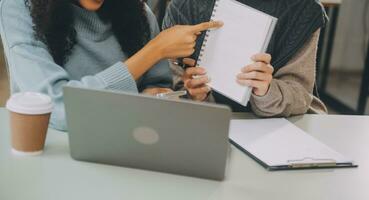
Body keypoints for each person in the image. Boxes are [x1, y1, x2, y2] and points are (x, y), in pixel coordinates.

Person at [0, 0, 222, 131]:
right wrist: (154, 50)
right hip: (54, 158)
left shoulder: (139, 14)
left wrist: (161, 95)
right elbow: (57, 108)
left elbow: (157, 86)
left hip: (129, 156)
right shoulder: (21, 8)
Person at [163, 0, 329, 117]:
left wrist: (267, 90)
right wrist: (193, 96)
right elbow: (165, 91)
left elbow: (300, 96)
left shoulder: (302, 10)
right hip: (202, 125)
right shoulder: (184, 6)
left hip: (276, 128)